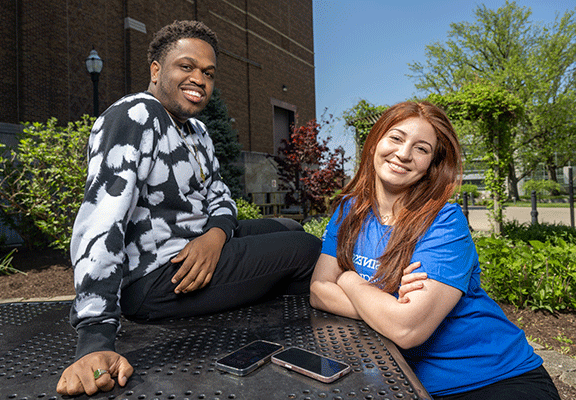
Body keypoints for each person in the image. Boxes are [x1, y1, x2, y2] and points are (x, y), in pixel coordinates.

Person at [57, 20, 323, 396]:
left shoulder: (196, 131)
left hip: (196, 247)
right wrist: (95, 339)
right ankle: (315, 323)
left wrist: (214, 238)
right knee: (307, 249)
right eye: (186, 66)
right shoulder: (135, 116)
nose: (199, 78)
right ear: (156, 70)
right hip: (157, 277)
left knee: (288, 228)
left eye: (208, 73)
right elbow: (101, 219)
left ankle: (271, 305)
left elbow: (221, 196)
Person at [309, 101, 560, 399]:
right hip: (409, 383)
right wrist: (389, 307)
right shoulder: (348, 211)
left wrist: (349, 280)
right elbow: (318, 290)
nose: (404, 154)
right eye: (397, 138)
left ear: (431, 164)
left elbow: (407, 331)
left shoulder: (444, 222)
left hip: (494, 378)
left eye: (422, 149)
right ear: (376, 140)